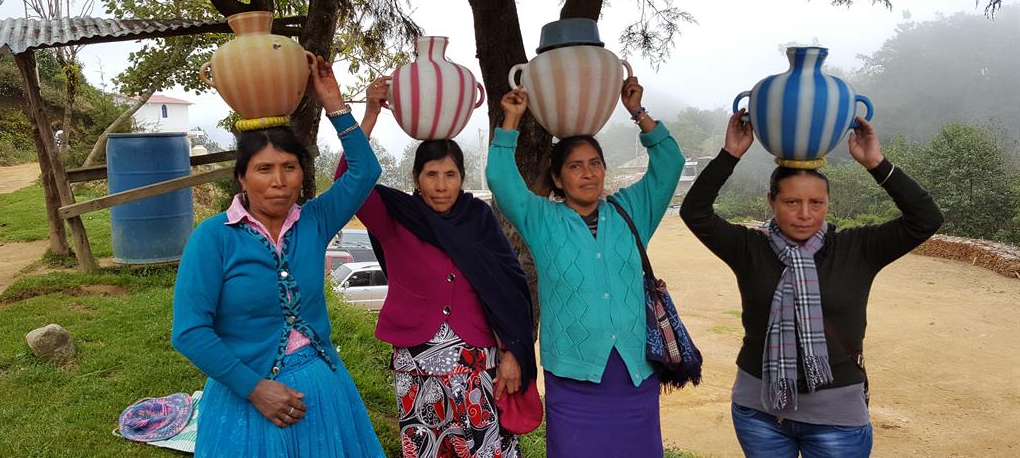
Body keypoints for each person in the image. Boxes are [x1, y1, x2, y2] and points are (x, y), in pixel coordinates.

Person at [679, 111, 944, 458]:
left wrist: (876, 162)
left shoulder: (857, 249)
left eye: (816, 202)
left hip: (837, 417)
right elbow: (695, 212)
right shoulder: (749, 248)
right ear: (771, 202)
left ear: (827, 204)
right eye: (791, 202)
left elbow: (927, 219)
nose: (805, 213)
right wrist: (731, 153)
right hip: (759, 413)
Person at [172, 56, 385, 457]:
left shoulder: (315, 222)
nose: (279, 181)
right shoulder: (213, 239)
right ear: (242, 176)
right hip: (246, 398)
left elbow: (364, 170)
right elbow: (189, 332)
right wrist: (255, 389)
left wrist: (334, 103)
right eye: (264, 169)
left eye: (290, 167)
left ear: (303, 174)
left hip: (323, 391)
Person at [334, 78, 537, 458]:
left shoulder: (479, 217)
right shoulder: (396, 217)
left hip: (479, 364)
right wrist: (370, 114)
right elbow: (348, 180)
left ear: (462, 178)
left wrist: (513, 352)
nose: (441, 186)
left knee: (487, 449)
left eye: (450, 175)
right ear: (416, 179)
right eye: (431, 175)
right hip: (415, 365)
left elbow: (509, 287)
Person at [485, 78, 685, 457]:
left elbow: (670, 163)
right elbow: (501, 179)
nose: (588, 173)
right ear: (558, 179)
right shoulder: (541, 219)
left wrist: (638, 113)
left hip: (634, 374)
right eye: (575, 166)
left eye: (595, 164)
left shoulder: (633, 210)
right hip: (573, 380)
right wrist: (510, 120)